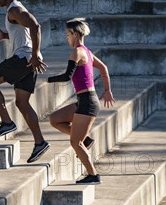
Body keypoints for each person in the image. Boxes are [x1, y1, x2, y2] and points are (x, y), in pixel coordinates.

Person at [0, 0, 50, 163]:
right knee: (22, 103)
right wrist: (3, 35)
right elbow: (23, 32)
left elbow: (35, 25)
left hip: (23, 59)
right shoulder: (15, 10)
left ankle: (7, 122)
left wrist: (36, 54)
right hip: (28, 60)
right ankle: (40, 142)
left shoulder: (14, 9)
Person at [47, 18, 115, 183]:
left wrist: (46, 80)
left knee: (75, 142)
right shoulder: (87, 52)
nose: (66, 38)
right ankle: (86, 139)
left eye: (67, 34)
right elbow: (104, 68)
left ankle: (93, 174)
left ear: (75, 34)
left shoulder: (77, 52)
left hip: (88, 103)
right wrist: (107, 90)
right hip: (84, 100)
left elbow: (67, 76)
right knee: (54, 119)